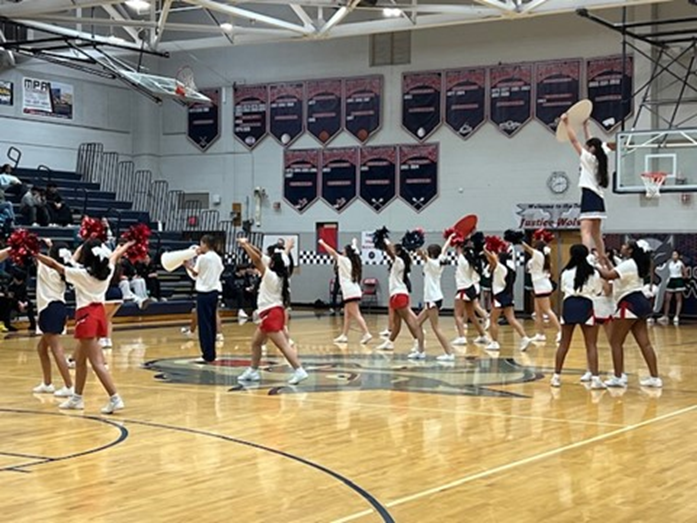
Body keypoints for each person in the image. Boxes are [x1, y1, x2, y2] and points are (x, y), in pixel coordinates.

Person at [36, 238, 134, 413]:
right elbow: (115, 255)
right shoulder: (108, 270)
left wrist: (33, 253)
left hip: (86, 316)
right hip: (99, 314)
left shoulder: (81, 274)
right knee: (80, 361)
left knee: (96, 362)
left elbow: (54, 264)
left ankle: (115, 397)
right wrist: (127, 245)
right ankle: (77, 398)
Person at [236, 237, 308, 385]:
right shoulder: (282, 273)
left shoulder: (270, 276)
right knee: (256, 343)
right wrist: (249, 244)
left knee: (283, 346)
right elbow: (260, 254)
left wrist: (244, 246)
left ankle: (299, 370)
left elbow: (256, 260)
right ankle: (253, 370)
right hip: (273, 313)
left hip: (271, 315)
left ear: (273, 263)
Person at [595, 240, 662, 388]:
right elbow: (617, 273)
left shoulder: (629, 264)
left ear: (631, 250)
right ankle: (655, 377)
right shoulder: (634, 263)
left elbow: (608, 276)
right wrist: (606, 261)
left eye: (625, 245)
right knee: (645, 343)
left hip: (629, 304)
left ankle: (618, 377)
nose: (622, 247)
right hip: (639, 302)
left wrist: (594, 266)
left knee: (615, 341)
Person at [550, 244, 605, 389]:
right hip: (586, 305)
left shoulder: (565, 272)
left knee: (564, 343)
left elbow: (562, 290)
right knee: (591, 344)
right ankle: (595, 379)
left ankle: (556, 376)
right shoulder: (593, 272)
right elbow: (598, 291)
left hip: (569, 305)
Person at [561, 114, 610, 262]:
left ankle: (587, 259)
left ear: (592, 149)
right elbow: (594, 143)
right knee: (596, 234)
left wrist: (566, 123)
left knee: (585, 232)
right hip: (599, 198)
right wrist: (586, 127)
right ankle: (602, 258)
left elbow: (574, 140)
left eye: (588, 146)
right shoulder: (602, 157)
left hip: (589, 196)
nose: (585, 147)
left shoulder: (588, 158)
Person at [32, 239, 73, 397]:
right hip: (59, 308)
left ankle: (69, 386)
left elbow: (39, 257)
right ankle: (47, 383)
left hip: (49, 309)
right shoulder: (64, 269)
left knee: (56, 349)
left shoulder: (45, 268)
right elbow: (55, 259)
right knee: (42, 348)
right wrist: (52, 245)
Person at [319, 238, 372, 344]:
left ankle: (366, 333)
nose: (342, 252)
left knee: (356, 314)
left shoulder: (344, 260)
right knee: (347, 316)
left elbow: (332, 252)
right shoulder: (353, 261)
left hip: (350, 292)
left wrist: (323, 243)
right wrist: (354, 244)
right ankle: (344, 335)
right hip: (353, 290)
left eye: (344, 250)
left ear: (347, 253)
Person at [375, 240, 425, 352]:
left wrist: (385, 241)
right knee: (396, 322)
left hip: (399, 294)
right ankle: (390, 342)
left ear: (397, 252)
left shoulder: (399, 261)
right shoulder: (398, 262)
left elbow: (389, 252)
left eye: (394, 250)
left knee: (408, 320)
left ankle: (418, 340)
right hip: (396, 295)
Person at [411, 237, 456, 361]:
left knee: (436, 327)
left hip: (433, 299)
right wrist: (451, 238)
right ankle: (420, 351)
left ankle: (449, 353)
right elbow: (445, 248)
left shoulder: (433, 263)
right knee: (417, 323)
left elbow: (424, 256)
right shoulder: (439, 259)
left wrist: (417, 248)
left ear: (431, 253)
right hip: (432, 298)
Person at [483, 246, 532, 351]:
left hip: (499, 296)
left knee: (493, 320)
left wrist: (484, 249)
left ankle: (494, 342)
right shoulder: (510, 269)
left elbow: (492, 259)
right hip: (508, 296)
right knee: (511, 319)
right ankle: (524, 337)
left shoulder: (500, 267)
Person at [185, 235, 224, 363]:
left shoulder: (202, 258)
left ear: (205, 244)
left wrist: (187, 266)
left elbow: (195, 273)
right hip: (214, 293)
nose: (200, 246)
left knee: (204, 325)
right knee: (211, 323)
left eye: (201, 244)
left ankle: (207, 354)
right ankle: (211, 353)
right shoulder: (218, 258)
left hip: (204, 293)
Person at [521, 240, 562, 343]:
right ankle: (540, 334)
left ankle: (560, 331)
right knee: (538, 312)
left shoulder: (538, 255)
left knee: (547, 310)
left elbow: (527, 249)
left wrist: (519, 241)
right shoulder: (540, 257)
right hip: (539, 286)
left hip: (542, 286)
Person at [451, 239, 489, 346]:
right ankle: (482, 335)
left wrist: (456, 240)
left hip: (463, 289)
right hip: (470, 288)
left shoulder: (462, 260)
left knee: (458, 315)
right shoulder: (473, 261)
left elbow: (458, 250)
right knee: (471, 315)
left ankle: (461, 337)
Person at [658, 250, 688, 326]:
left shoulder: (680, 263)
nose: (674, 256)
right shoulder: (669, 263)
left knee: (678, 299)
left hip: (678, 280)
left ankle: (676, 316)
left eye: (675, 254)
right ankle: (665, 316)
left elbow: (685, 274)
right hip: (671, 280)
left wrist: (681, 278)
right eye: (673, 254)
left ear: (678, 256)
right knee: (667, 299)